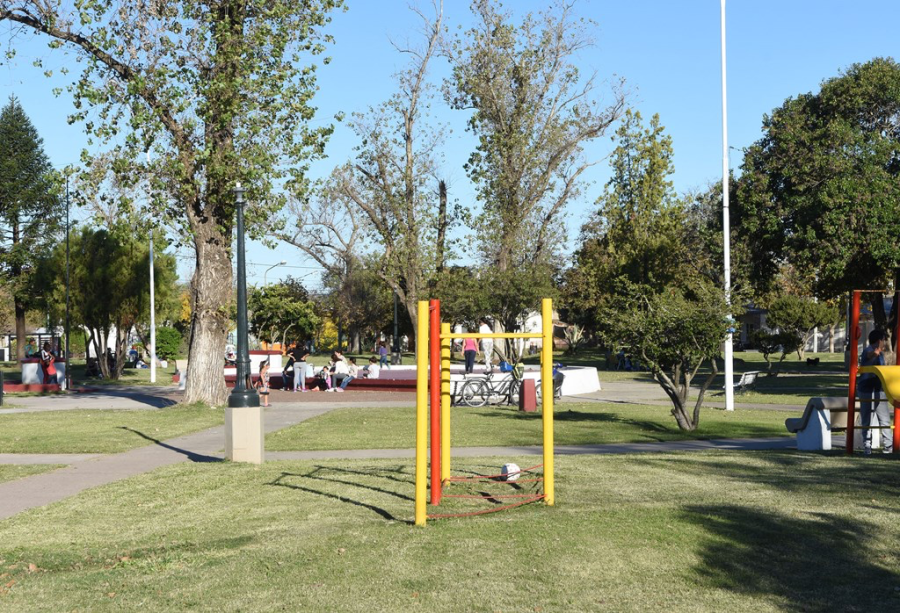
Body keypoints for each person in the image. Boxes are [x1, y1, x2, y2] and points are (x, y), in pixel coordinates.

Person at [858, 329, 893, 455]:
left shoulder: (881, 354)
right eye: (883, 340)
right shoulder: (869, 350)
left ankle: (889, 445)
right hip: (866, 389)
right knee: (866, 418)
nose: (884, 343)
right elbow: (869, 355)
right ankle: (867, 445)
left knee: (884, 419)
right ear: (879, 341)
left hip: (879, 389)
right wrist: (876, 352)